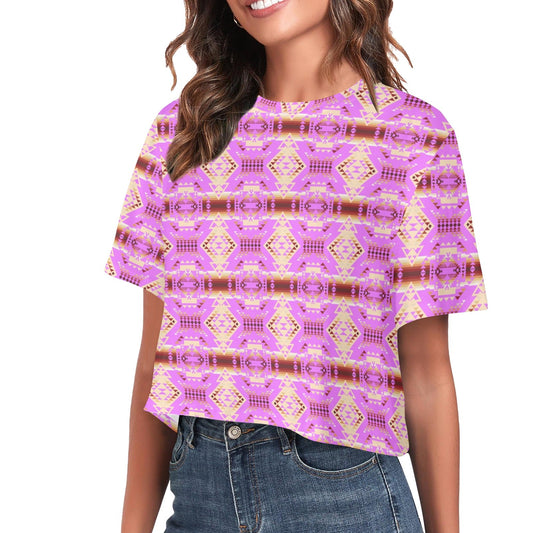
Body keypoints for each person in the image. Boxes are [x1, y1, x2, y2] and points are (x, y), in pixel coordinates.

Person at [103, 1, 488, 532]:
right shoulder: (183, 134)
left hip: (341, 501)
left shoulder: (414, 137)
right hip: (200, 499)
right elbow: (155, 364)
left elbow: (426, 374)